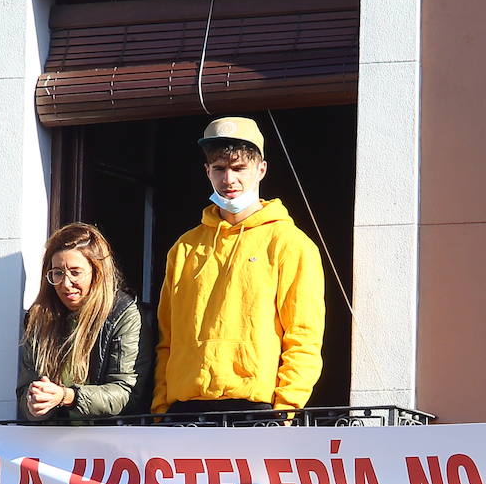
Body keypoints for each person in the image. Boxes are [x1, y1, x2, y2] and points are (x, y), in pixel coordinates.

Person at [153, 116, 325, 416]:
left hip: (256, 409)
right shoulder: (184, 248)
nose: (228, 179)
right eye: (219, 168)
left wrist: (284, 411)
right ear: (207, 171)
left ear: (261, 169)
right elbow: (166, 340)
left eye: (238, 167)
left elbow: (304, 337)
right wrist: (161, 409)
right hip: (184, 410)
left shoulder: (290, 243)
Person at [17, 223, 149, 420]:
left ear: (97, 272)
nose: (65, 283)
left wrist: (67, 396)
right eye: (58, 273)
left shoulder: (123, 314)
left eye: (75, 272)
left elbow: (125, 392)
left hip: (107, 442)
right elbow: (25, 390)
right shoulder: (38, 318)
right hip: (47, 443)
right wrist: (34, 403)